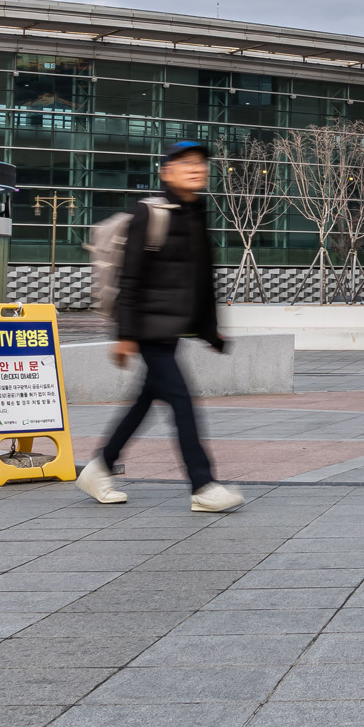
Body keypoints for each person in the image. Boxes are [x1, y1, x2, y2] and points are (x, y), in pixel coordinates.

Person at [77, 141, 244, 514]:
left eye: (200, 163)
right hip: (148, 328)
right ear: (166, 171)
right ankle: (202, 483)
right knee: (182, 400)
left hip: (169, 329)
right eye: (185, 162)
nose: (196, 168)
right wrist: (124, 334)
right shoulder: (148, 214)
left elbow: (201, 280)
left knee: (145, 401)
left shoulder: (196, 213)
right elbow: (131, 278)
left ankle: (100, 466)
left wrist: (210, 331)